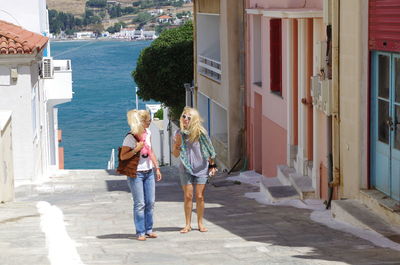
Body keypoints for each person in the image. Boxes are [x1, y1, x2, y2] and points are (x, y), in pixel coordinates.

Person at [172, 107, 217, 233]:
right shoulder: (178, 134)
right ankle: (187, 224)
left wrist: (212, 166)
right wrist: (178, 144)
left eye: (188, 117)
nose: (185, 119)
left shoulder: (201, 133)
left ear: (194, 120)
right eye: (184, 116)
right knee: (188, 196)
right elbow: (175, 154)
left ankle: (200, 223)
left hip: (201, 168)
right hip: (185, 168)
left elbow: (210, 149)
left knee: (199, 196)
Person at [120, 109, 162, 241]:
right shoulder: (130, 137)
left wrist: (157, 167)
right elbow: (123, 156)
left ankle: (149, 229)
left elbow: (150, 151)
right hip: (136, 173)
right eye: (148, 120)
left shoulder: (148, 133)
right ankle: (140, 232)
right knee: (140, 203)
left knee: (150, 202)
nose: (150, 122)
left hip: (149, 172)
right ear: (141, 122)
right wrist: (136, 150)